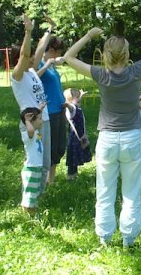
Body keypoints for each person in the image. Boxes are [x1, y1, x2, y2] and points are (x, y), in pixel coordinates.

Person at [63, 1, 141, 248]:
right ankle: (129, 239)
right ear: (127, 52)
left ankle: (104, 238)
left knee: (105, 192)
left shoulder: (101, 75)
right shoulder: (136, 72)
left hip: (108, 140)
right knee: (131, 193)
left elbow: (68, 56)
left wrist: (89, 35)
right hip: (132, 138)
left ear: (106, 53)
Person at [11, 14, 54, 193]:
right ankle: (29, 197)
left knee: (44, 162)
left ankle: (40, 195)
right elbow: (25, 54)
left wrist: (50, 30)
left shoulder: (31, 71)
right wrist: (28, 32)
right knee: (34, 163)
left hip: (43, 120)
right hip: (31, 123)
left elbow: (40, 49)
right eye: (28, 58)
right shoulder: (17, 76)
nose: (33, 59)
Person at [37, 34, 68, 185]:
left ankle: (52, 178)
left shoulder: (53, 65)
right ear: (51, 49)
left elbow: (56, 86)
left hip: (60, 108)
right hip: (49, 111)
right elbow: (33, 77)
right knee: (51, 146)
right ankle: (48, 180)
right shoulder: (39, 63)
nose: (59, 55)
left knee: (61, 145)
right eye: (58, 51)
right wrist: (46, 64)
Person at [20, 107, 45, 213]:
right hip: (31, 169)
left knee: (34, 192)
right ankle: (28, 213)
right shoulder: (27, 134)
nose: (41, 120)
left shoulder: (36, 132)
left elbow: (33, 126)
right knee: (29, 194)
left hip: (36, 168)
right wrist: (27, 120)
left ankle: (31, 210)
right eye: (39, 118)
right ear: (31, 121)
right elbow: (30, 128)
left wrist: (39, 110)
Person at [63, 88, 92, 180]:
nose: (79, 98)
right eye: (77, 96)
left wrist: (81, 96)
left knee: (76, 154)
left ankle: (74, 173)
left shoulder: (76, 106)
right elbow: (71, 107)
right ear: (70, 99)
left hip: (80, 135)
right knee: (73, 155)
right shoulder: (72, 109)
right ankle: (71, 175)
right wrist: (67, 105)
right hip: (75, 137)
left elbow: (76, 103)